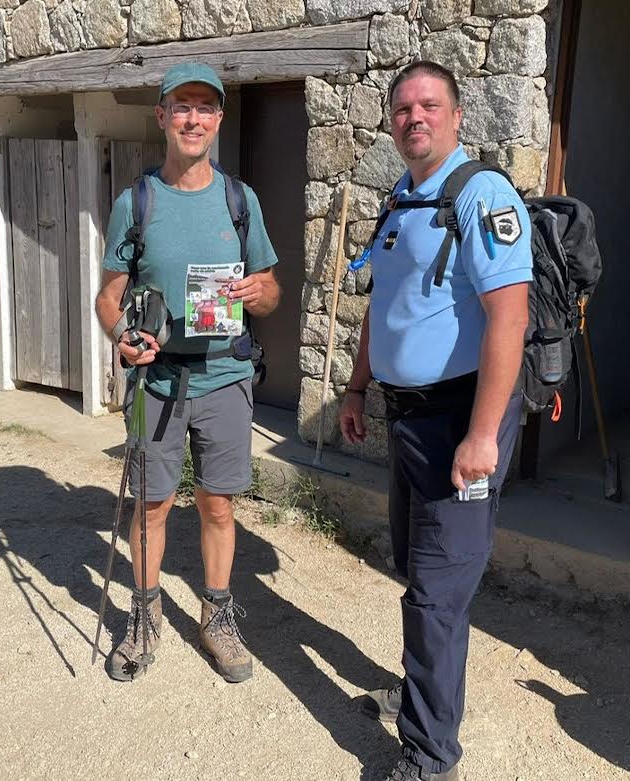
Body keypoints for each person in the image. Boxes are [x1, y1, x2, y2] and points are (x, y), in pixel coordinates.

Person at [339, 61, 532, 781]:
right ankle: (425, 696)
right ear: (391, 122)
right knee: (413, 567)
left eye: (429, 105)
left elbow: (507, 316)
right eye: (402, 108)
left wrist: (483, 435)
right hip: (406, 418)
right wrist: (357, 388)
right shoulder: (400, 200)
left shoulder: (482, 195)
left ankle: (428, 756)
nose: (414, 116)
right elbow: (382, 307)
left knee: (438, 591)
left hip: (461, 419)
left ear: (455, 117)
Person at [94, 62, 280, 683]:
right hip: (155, 383)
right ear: (163, 117)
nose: (193, 118)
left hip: (226, 377)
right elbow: (108, 296)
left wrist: (260, 294)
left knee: (219, 506)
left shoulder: (240, 199)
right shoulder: (136, 202)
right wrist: (123, 336)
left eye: (205, 107)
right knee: (151, 508)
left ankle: (217, 616)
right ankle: (143, 620)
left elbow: (274, 291)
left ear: (219, 119)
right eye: (181, 106)